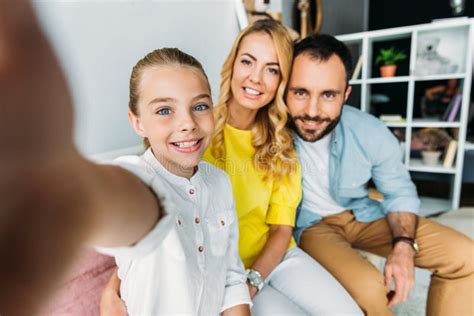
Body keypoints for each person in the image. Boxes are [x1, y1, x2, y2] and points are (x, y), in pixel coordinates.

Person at [1, 2, 252, 314]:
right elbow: (112, 201)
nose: (187, 122)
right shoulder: (135, 174)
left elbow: (230, 275)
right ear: (137, 122)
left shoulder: (220, 182)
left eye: (200, 106)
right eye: (164, 110)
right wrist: (62, 190)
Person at [101, 20, 361, 315]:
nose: (256, 78)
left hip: (272, 260)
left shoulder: (278, 143)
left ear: (282, 81)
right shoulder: (192, 135)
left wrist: (251, 282)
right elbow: (148, 211)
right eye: (247, 61)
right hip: (223, 268)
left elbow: (280, 229)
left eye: (272, 69)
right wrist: (115, 284)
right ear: (232, 64)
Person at [285, 33, 474, 316]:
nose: (312, 111)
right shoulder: (269, 131)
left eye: (328, 95)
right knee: (371, 287)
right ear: (285, 90)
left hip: (362, 213)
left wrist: (404, 245)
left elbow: (399, 191)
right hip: (313, 226)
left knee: (465, 257)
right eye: (300, 92)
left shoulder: (370, 130)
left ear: (346, 95)